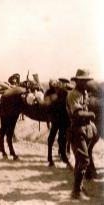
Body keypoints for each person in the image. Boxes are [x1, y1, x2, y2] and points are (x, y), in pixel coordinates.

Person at [66, 69, 98, 200]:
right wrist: (91, 114)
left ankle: (79, 187)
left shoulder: (83, 93)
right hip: (77, 129)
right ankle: (76, 192)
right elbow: (77, 113)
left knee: (81, 160)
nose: (85, 83)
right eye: (83, 81)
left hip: (86, 129)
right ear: (77, 81)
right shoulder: (73, 94)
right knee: (84, 160)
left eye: (87, 81)